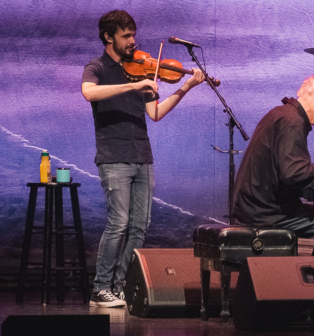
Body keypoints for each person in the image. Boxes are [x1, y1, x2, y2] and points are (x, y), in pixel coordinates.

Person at [81, 10, 204, 307]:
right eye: (126, 36)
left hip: (142, 156)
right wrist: (133, 86)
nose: (133, 42)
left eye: (133, 35)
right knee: (118, 223)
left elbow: (155, 113)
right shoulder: (96, 67)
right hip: (114, 156)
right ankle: (100, 287)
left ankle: (120, 284)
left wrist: (185, 87)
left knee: (140, 225)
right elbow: (88, 93)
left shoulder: (143, 70)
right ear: (109, 37)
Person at [232, 74, 314, 256]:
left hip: (254, 207)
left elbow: (284, 171)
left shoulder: (281, 113)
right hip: (266, 213)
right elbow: (292, 175)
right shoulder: (292, 121)